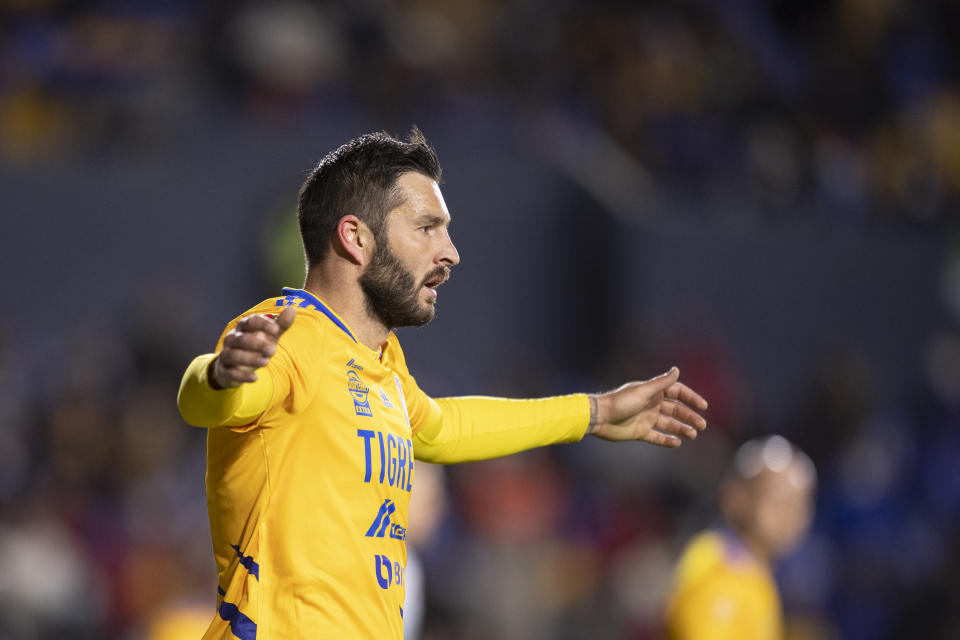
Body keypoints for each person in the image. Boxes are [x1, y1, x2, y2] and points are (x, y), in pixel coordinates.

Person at [177, 128, 709, 640]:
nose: (450, 252)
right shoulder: (292, 333)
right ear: (355, 237)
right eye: (427, 228)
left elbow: (440, 428)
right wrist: (222, 373)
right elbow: (210, 400)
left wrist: (594, 413)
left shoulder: (380, 361)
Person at [664, 435, 816, 640]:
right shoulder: (723, 571)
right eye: (778, 499)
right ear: (735, 497)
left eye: (800, 502)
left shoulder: (754, 570)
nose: (791, 514)